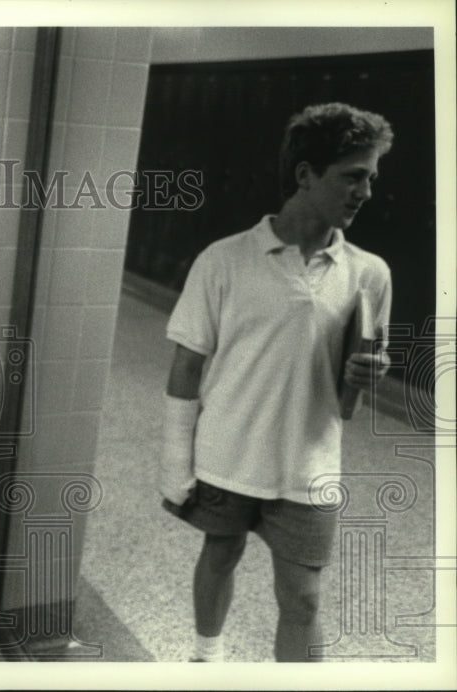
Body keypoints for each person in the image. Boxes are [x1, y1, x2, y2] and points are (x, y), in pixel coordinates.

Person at [158, 102, 394, 662]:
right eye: (353, 176)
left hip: (308, 464)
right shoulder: (224, 260)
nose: (366, 192)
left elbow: (350, 399)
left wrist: (368, 374)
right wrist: (175, 462)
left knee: (304, 597)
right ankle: (205, 658)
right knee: (220, 554)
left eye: (371, 178)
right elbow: (187, 365)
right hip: (229, 453)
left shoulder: (370, 273)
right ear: (306, 174)